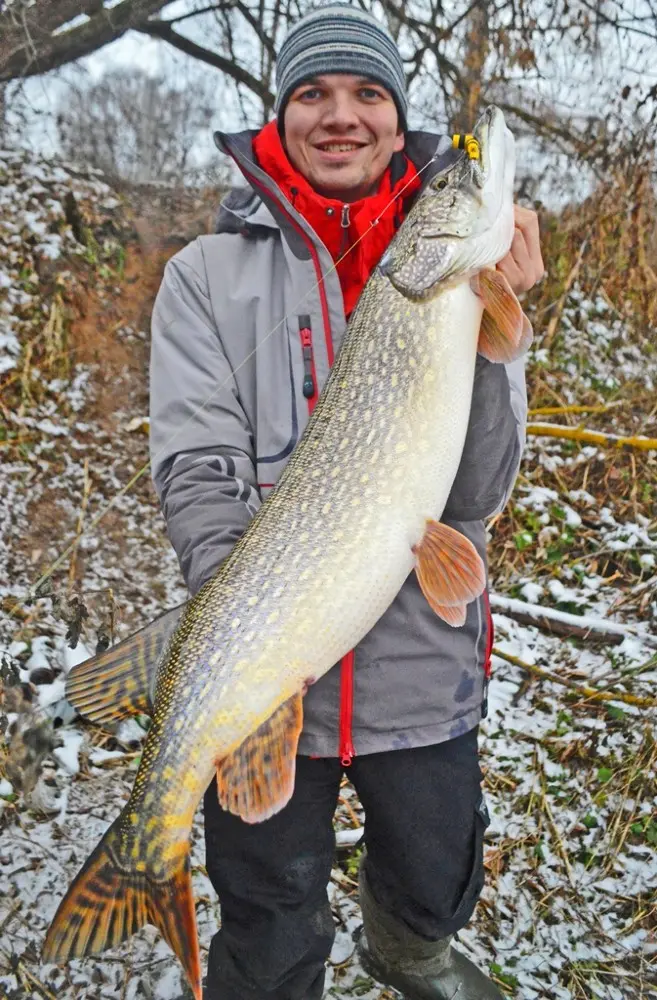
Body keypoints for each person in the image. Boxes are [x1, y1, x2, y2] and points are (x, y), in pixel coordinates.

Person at [150, 5, 544, 999]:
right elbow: (196, 466)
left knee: (431, 875)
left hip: (424, 666)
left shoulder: (448, 282)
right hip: (267, 665)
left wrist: (501, 343)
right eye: (312, 92)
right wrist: (252, 622)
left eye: (369, 93)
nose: (341, 114)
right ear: (278, 115)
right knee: (270, 910)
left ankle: (409, 946)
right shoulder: (204, 277)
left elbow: (479, 488)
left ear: (393, 115)